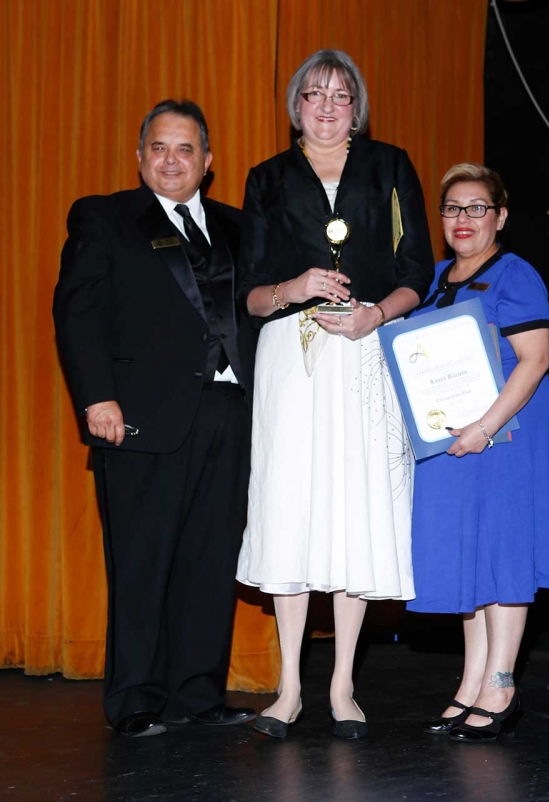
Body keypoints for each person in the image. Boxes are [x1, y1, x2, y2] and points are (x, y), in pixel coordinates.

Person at [235, 49, 434, 739]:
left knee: (356, 507)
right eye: (313, 94)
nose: (326, 106)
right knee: (290, 506)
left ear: (358, 107)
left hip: (367, 351)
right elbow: (249, 294)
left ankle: (344, 684)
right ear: (295, 108)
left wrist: (376, 314)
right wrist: (293, 290)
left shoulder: (391, 167)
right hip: (292, 358)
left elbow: (419, 271)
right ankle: (288, 688)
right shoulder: (265, 179)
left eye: (341, 95)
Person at [53, 99, 258, 738]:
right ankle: (135, 699)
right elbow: (77, 312)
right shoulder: (104, 217)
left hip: (229, 414)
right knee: (141, 563)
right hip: (138, 420)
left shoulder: (239, 226)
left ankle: (198, 693)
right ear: (140, 158)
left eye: (186, 149)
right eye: (159, 148)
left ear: (208, 161)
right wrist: (96, 398)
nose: (172, 160)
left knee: (210, 560)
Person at [408, 163, 549, 742]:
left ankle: (501, 682)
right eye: (453, 208)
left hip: (508, 434)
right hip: (454, 442)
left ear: (500, 217)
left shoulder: (516, 274)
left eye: (477, 207)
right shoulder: (432, 279)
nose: (463, 219)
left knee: (503, 551)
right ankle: (472, 679)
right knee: (472, 557)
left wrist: (484, 424)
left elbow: (535, 361)